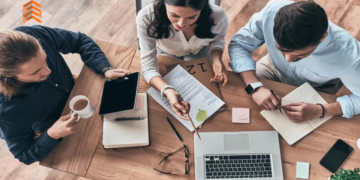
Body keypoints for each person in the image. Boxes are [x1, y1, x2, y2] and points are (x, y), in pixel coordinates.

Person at [0, 25, 130, 165]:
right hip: (60, 128)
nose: (47, 71)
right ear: (8, 76)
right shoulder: (6, 111)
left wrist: (104, 68)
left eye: (45, 59)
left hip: (82, 91)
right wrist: (52, 135)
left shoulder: (30, 35)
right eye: (35, 72)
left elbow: (79, 41)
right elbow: (24, 155)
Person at [229, 0, 360, 122]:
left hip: (314, 87)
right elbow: (239, 44)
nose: (288, 60)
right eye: (281, 50)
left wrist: (321, 110)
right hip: (272, 67)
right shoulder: (272, 12)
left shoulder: (350, 58)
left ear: (322, 37)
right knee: (237, 102)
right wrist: (255, 87)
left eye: (300, 56)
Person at [137, 0, 229, 120]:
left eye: (192, 17)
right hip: (166, 52)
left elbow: (217, 40)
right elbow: (148, 66)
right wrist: (167, 90)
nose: (181, 23)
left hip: (200, 50)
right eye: (174, 15)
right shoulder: (146, 18)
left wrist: (217, 58)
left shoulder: (217, 15)